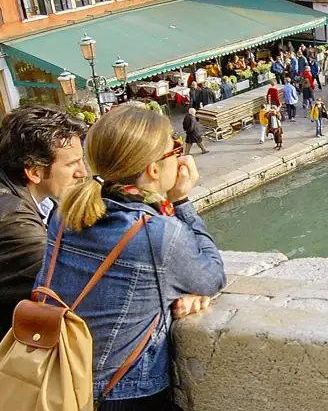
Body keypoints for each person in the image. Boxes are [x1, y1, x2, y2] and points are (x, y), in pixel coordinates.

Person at [34, 105, 225, 409]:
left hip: (61, 375)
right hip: (127, 392)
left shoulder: (65, 213)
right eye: (175, 148)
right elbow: (213, 276)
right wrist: (181, 201)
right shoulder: (156, 233)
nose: (180, 156)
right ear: (153, 169)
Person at [0, 105, 88, 336]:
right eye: (71, 164)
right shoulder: (14, 224)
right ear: (34, 172)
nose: (83, 172)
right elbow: (77, 284)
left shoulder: (33, 197)